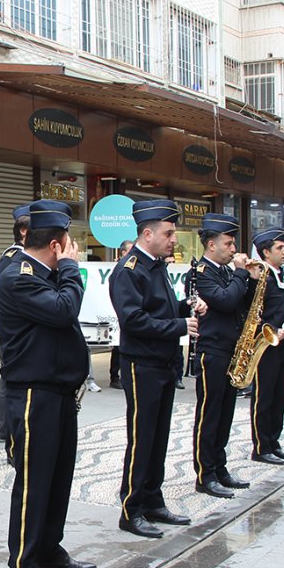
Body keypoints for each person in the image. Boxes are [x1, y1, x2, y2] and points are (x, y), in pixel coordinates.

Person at [0, 199, 95, 568]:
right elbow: (64, 309)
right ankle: (23, 563)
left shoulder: (44, 272)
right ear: (56, 244)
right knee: (34, 481)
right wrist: (70, 268)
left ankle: (50, 548)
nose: (71, 251)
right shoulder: (17, 276)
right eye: (68, 245)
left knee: (58, 478)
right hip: (34, 393)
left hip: (58, 392)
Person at [109, 200, 199, 538]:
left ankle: (153, 499)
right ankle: (131, 509)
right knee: (142, 438)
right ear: (148, 234)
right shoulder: (128, 270)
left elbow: (160, 308)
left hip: (162, 362)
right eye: (169, 233)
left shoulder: (156, 266)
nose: (174, 239)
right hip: (141, 364)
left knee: (158, 437)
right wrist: (178, 326)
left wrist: (184, 307)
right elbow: (133, 320)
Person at [190, 213, 256, 499]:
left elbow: (243, 302)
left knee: (226, 413)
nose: (233, 249)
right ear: (212, 245)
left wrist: (250, 279)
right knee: (210, 414)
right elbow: (227, 301)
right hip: (212, 352)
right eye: (228, 243)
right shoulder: (201, 273)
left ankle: (220, 467)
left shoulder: (227, 272)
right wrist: (242, 274)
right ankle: (205, 474)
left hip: (231, 351)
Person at [249, 227, 284, 465]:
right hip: (265, 344)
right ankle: (261, 446)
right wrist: (271, 330)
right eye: (279, 248)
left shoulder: (281, 274)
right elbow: (254, 314)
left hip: (281, 342)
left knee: (280, 394)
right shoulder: (263, 278)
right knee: (264, 396)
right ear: (266, 252)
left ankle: (273, 442)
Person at [0, 204, 31, 445]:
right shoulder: (12, 258)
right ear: (24, 232)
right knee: (9, 376)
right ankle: (4, 428)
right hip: (14, 330)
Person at [108, 239, 135, 389]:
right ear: (123, 253)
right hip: (117, 314)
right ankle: (115, 376)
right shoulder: (121, 269)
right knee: (117, 347)